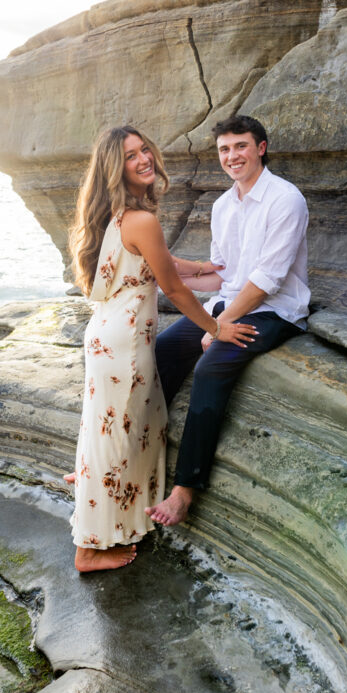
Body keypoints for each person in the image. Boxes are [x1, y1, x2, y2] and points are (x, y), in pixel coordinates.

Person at [67, 124, 258, 573]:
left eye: (144, 150)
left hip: (104, 337)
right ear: (117, 169)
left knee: (116, 433)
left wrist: (203, 266)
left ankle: (108, 517)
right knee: (120, 439)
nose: (143, 159)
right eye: (131, 156)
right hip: (125, 346)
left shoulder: (116, 217)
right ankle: (88, 549)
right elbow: (172, 286)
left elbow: (161, 262)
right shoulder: (143, 220)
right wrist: (217, 326)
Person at [146, 114, 310, 527]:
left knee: (211, 366)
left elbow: (267, 280)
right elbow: (224, 274)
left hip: (276, 311)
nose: (232, 156)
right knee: (162, 350)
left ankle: (184, 490)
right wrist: (167, 270)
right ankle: (142, 451)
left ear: (261, 148)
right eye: (224, 149)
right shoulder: (223, 205)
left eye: (240, 146)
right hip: (229, 304)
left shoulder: (285, 199)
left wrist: (218, 328)